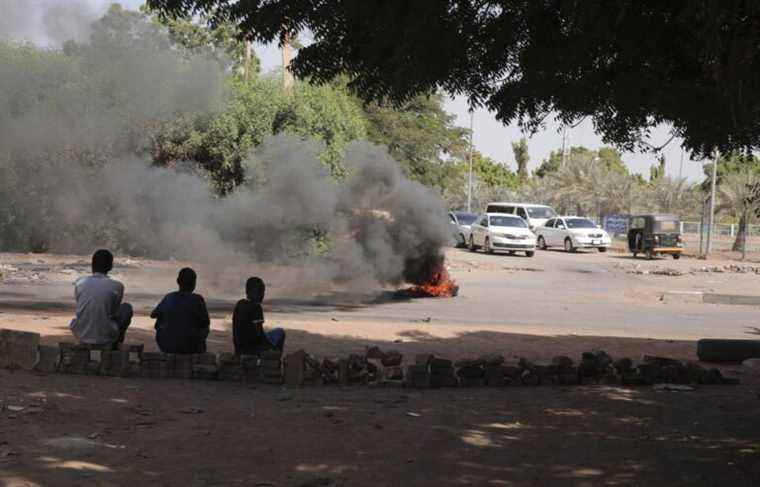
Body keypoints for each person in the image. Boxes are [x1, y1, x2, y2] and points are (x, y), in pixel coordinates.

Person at [70, 249, 133, 349]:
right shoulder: (117, 286)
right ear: (110, 266)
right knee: (127, 308)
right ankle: (116, 341)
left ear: (92, 265)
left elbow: (80, 304)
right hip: (105, 336)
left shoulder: (80, 283)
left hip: (81, 334)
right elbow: (114, 312)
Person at [151, 268, 210, 354]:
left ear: (178, 281)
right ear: (194, 284)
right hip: (190, 347)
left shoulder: (169, 297)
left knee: (161, 319)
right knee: (205, 327)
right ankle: (196, 348)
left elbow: (153, 315)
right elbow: (206, 323)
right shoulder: (197, 299)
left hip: (166, 345)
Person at [233, 277, 285, 355]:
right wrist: (272, 347)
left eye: (263, 292)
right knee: (280, 333)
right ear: (249, 292)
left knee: (274, 334)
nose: (262, 295)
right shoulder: (256, 307)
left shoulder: (239, 304)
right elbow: (259, 333)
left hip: (239, 348)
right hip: (253, 348)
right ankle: (274, 359)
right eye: (259, 292)